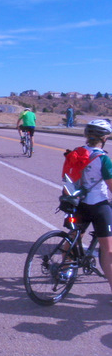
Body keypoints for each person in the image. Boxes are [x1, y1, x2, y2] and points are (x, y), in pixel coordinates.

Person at [71, 119, 112, 295]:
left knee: (72, 238)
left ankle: (64, 270)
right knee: (108, 251)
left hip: (78, 203)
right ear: (103, 138)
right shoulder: (103, 159)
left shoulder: (76, 153)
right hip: (98, 206)